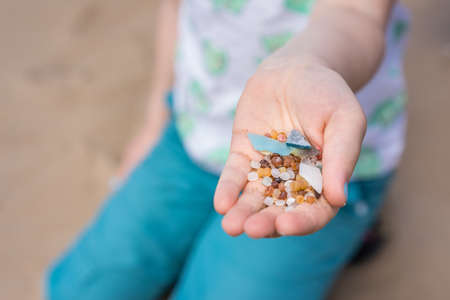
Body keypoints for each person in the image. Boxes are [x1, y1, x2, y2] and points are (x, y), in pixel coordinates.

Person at [46, 0, 409, 299]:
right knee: (82, 289)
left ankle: (353, 219)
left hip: (318, 145)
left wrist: (308, 62)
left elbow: (355, 13)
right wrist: (156, 119)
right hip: (192, 131)